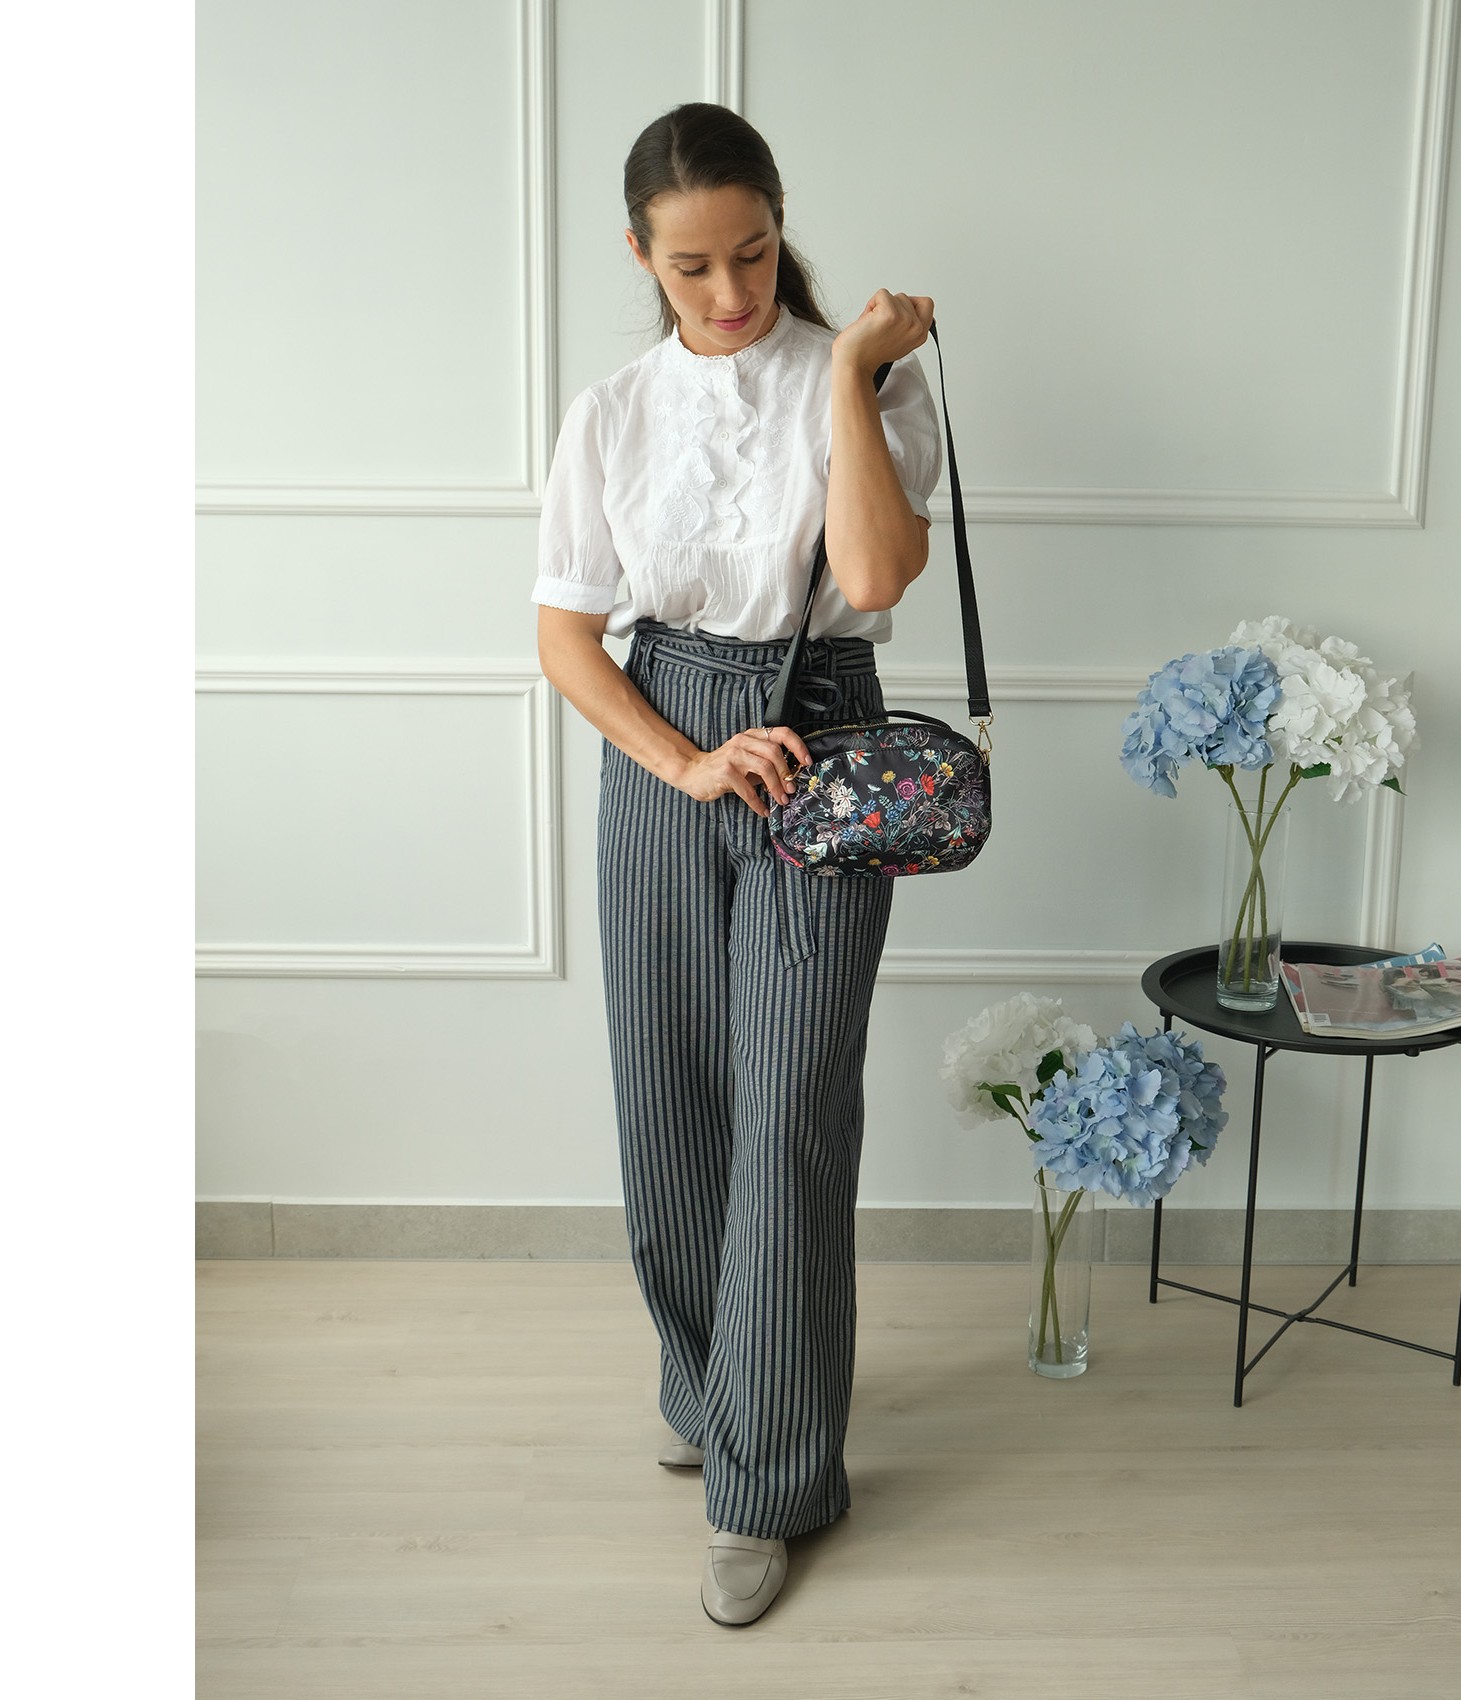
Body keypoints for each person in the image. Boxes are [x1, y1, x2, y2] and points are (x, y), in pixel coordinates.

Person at [532, 102, 943, 1627]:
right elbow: (567, 635)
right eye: (692, 265)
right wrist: (685, 759)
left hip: (823, 735)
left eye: (754, 254)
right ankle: (710, 1390)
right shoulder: (612, 412)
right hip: (667, 741)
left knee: (787, 1113)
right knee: (669, 1094)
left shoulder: (871, 382)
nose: (728, 291)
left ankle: (769, 1484)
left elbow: (878, 573)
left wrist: (845, 373)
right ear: (641, 254)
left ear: (782, 226)